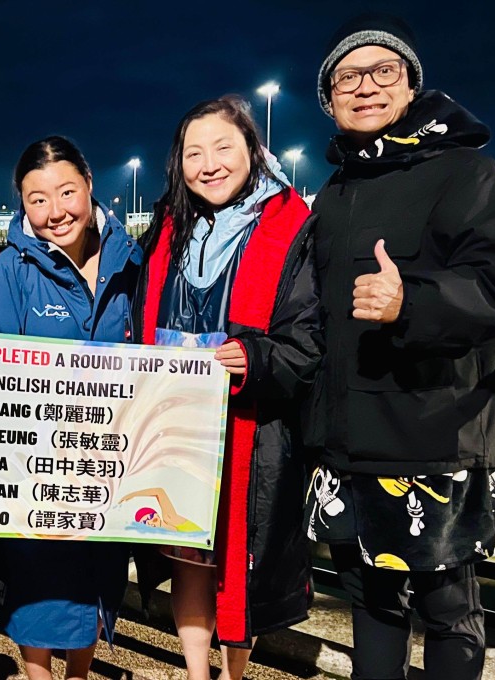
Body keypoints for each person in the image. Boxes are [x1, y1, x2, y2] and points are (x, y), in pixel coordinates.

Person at [304, 14, 495, 680]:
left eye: (384, 72)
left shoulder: (469, 174)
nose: (366, 87)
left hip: (442, 439)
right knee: (370, 603)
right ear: (329, 97)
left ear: (412, 87)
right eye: (348, 76)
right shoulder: (338, 190)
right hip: (351, 441)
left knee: (448, 609)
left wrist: (415, 301)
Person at [133, 95, 320, 680]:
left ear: (252, 151)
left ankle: (234, 672)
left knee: (238, 563)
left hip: (252, 429)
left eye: (223, 148)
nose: (208, 164)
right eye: (194, 153)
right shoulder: (166, 229)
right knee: (187, 559)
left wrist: (256, 357)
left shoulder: (294, 228)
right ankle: (196, 672)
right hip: (176, 427)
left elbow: (309, 339)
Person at [0, 136, 140, 680]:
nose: (55, 211)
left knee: (94, 592)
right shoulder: (9, 272)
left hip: (110, 464)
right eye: (37, 199)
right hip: (35, 470)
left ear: (90, 187)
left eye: (67, 192)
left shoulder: (131, 262)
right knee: (37, 593)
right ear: (21, 206)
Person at [121, 487, 203, 532]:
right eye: (145, 522)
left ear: (157, 514)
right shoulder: (160, 535)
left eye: (150, 517)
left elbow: (159, 491)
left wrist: (134, 494)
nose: (150, 522)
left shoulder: (170, 518)